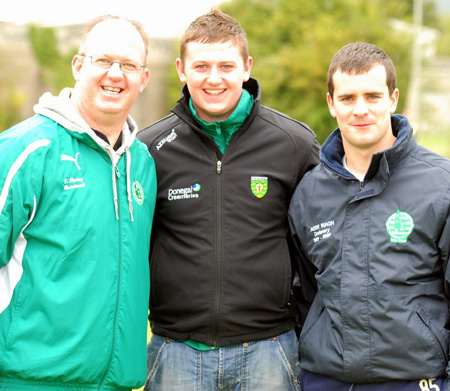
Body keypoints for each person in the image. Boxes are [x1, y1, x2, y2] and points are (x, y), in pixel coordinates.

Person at [137, 8, 320, 391]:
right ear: (182, 70)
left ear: (247, 67)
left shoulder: (294, 144)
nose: (214, 78)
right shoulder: (150, 150)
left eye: (226, 65)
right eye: (201, 66)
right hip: (176, 350)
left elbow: (317, 246)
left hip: (269, 348)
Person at [0, 15, 157, 391]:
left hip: (117, 383)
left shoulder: (144, 165)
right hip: (30, 380)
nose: (115, 74)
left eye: (129, 65)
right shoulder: (27, 150)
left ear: (144, 78)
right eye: (103, 60)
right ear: (78, 65)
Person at [288, 42, 450, 391]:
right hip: (326, 380)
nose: (360, 109)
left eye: (372, 96)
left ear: (392, 99)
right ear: (331, 104)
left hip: (415, 380)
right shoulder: (308, 193)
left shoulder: (442, 184)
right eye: (347, 98)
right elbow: (304, 293)